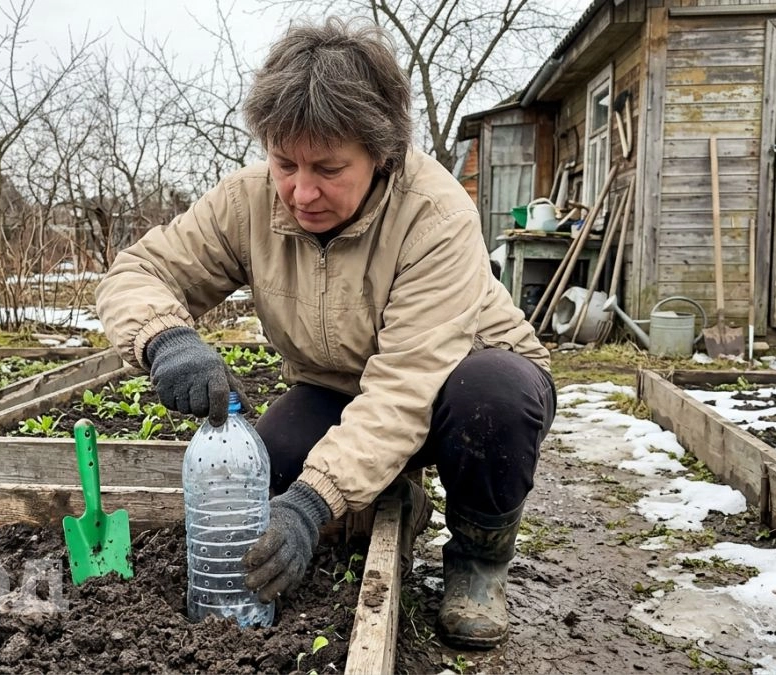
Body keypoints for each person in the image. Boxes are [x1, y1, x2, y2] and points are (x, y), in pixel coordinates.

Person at [95, 17, 556, 649]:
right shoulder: (249, 201)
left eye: (329, 168)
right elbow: (139, 271)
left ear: (382, 154)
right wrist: (165, 337)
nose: (300, 191)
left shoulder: (436, 213)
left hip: (456, 381)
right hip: (337, 384)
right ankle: (388, 498)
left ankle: (478, 561)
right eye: (284, 162)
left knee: (493, 399)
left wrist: (315, 504)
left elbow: (406, 388)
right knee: (273, 465)